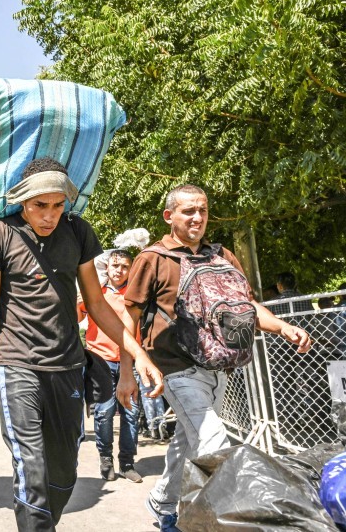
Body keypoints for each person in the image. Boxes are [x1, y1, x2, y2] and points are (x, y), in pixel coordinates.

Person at [0, 158, 162, 532]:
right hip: (17, 365)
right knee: (31, 466)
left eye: (58, 205)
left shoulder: (78, 233)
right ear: (22, 200)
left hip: (69, 367)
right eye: (41, 205)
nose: (50, 215)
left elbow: (97, 304)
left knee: (62, 474)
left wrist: (138, 355)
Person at [119, 184, 312, 531]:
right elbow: (127, 318)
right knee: (214, 443)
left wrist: (282, 326)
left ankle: (162, 501)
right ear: (169, 216)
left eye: (203, 211)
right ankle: (209, 522)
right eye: (188, 211)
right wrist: (127, 372)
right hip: (173, 370)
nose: (197, 218)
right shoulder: (152, 258)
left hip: (218, 366)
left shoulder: (221, 255)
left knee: (188, 439)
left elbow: (248, 306)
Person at [78, 249, 143, 483]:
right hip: (100, 360)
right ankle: (106, 460)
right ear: (107, 267)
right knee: (104, 413)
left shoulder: (136, 295)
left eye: (125, 266)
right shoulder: (97, 292)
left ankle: (127, 463)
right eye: (115, 266)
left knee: (131, 413)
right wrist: (77, 299)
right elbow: (76, 317)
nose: (120, 270)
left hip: (130, 361)